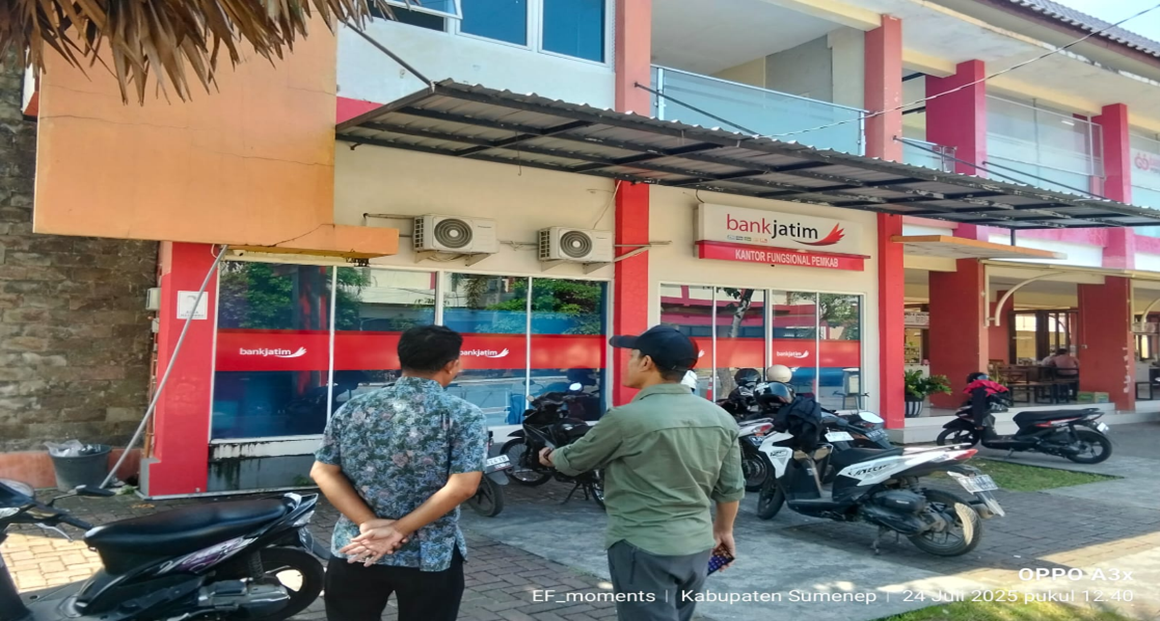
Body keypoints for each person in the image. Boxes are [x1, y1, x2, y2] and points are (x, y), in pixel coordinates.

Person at [538, 325, 744, 621]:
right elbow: (730, 488)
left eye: (632, 356)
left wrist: (549, 457)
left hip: (643, 547)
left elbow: (574, 460)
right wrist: (723, 531)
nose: (628, 363)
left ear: (646, 363)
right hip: (698, 546)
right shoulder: (720, 417)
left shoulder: (625, 418)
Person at [310, 325, 487, 621]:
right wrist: (397, 530)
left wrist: (367, 524)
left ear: (401, 360)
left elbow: (323, 472)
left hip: (357, 546)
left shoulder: (353, 408)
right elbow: (463, 487)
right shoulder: (464, 414)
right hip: (429, 554)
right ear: (451, 364)